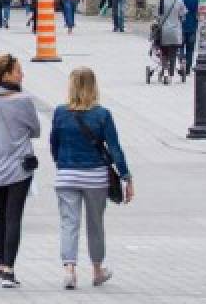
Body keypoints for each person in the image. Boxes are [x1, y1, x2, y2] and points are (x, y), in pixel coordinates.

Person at [50, 67, 133, 290]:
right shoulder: (102, 114)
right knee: (95, 224)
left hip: (67, 175)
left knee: (69, 223)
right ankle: (97, 270)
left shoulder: (60, 112)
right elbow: (115, 149)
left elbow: (54, 144)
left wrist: (62, 164)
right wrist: (126, 176)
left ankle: (69, 270)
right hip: (95, 176)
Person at [0, 53, 41, 288]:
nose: (22, 74)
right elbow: (35, 130)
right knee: (14, 217)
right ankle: (8, 267)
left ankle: (1, 262)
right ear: (6, 75)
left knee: (0, 216)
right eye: (18, 71)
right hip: (18, 166)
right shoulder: (24, 101)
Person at [155, 0, 187, 83]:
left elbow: (157, 16)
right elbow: (183, 16)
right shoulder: (180, 2)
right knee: (173, 54)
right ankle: (171, 75)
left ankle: (164, 70)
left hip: (164, 32)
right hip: (175, 32)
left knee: (164, 53)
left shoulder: (161, 1)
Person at [179, 0, 201, 73]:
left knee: (180, 47)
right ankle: (187, 68)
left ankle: (181, 64)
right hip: (191, 26)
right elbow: (197, 14)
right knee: (190, 48)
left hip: (180, 27)